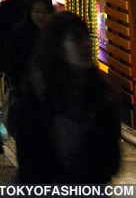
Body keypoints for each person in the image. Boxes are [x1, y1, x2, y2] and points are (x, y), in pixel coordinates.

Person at [16, 11, 121, 184]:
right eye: (75, 39)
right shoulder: (36, 95)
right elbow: (30, 166)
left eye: (86, 37)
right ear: (56, 47)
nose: (86, 44)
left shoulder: (101, 93)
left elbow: (112, 163)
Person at [0, 0, 39, 78]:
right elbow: (1, 36)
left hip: (34, 58)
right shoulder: (7, 7)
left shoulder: (37, 7)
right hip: (13, 58)